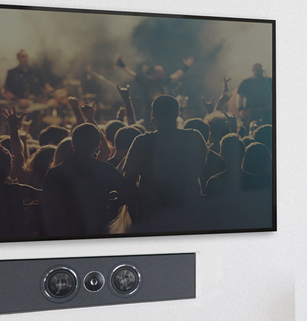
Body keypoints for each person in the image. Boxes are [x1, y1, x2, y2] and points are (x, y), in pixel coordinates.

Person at [121, 94, 207, 231]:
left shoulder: (141, 142)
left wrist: (135, 217)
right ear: (178, 114)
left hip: (152, 215)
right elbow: (198, 170)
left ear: (152, 116)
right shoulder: (194, 138)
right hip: (187, 213)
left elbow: (128, 181)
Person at [41, 123, 133, 238]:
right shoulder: (105, 170)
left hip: (62, 233)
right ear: (98, 144)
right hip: (96, 231)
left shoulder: (54, 173)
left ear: (73, 143)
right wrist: (113, 209)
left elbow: (46, 208)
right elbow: (129, 192)